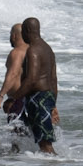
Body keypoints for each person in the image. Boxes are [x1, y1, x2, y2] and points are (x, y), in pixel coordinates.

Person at [17, 16, 59, 154]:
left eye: (23, 31)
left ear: (27, 30)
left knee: (45, 145)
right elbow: (53, 80)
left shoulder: (33, 50)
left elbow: (32, 79)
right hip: (47, 97)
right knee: (43, 142)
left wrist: (15, 98)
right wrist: (53, 104)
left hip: (38, 99)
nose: (22, 35)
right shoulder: (48, 49)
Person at [0, 22, 27, 126]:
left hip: (19, 100)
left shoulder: (16, 52)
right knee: (29, 136)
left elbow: (13, 74)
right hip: (30, 99)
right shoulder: (32, 51)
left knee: (17, 136)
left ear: (14, 36)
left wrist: (1, 95)